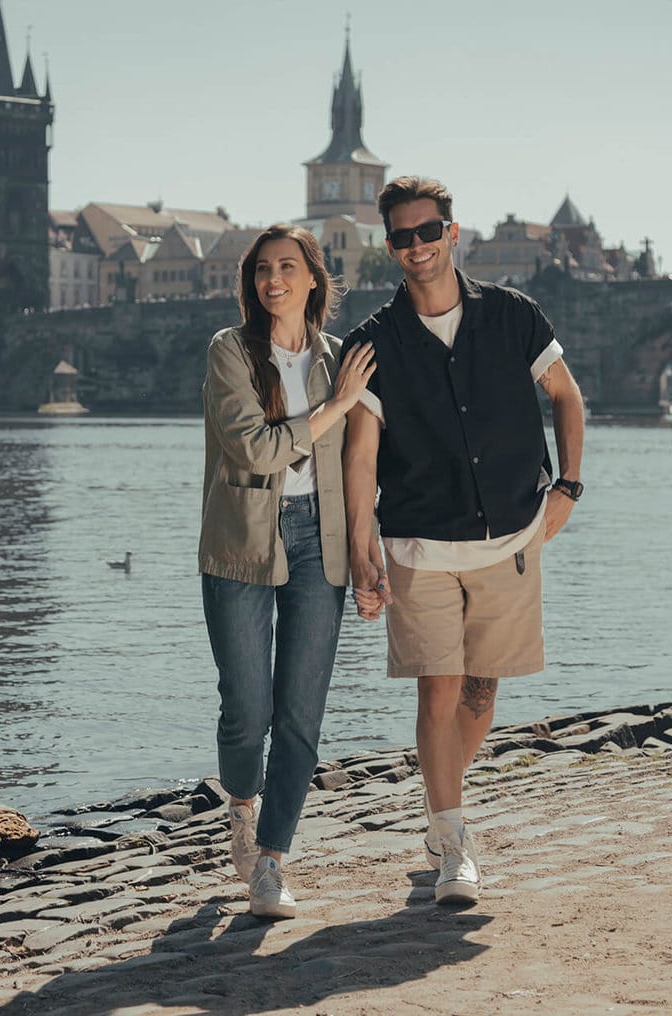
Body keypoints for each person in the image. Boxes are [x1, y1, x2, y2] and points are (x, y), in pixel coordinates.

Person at [343, 176, 584, 906]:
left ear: (452, 232)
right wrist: (360, 545)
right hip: (418, 543)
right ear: (390, 247)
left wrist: (568, 487)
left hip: (510, 534)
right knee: (439, 687)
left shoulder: (512, 315)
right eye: (402, 236)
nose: (416, 246)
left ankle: (440, 805)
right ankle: (453, 842)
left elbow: (566, 395)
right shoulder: (372, 342)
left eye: (428, 231)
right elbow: (359, 456)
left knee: (481, 692)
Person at [199, 223, 375, 918]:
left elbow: (360, 464)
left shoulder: (340, 359)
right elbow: (255, 451)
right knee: (247, 711)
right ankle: (241, 805)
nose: (273, 280)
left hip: (319, 542)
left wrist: (366, 550)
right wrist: (335, 407)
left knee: (301, 715)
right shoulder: (231, 350)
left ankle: (271, 861)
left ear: (312, 278)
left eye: (287, 267)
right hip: (242, 539)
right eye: (262, 270)